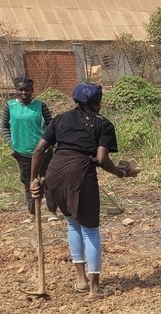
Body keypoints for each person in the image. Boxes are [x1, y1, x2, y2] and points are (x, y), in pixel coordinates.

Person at [28, 84, 138, 297]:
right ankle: (95, 288)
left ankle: (81, 281)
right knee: (90, 228)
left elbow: (40, 149)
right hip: (80, 174)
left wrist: (34, 179)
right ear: (96, 103)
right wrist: (121, 173)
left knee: (72, 224)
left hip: (55, 174)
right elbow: (102, 159)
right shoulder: (103, 124)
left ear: (76, 101)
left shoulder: (60, 119)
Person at [3, 77, 59, 223]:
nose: (23, 92)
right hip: (22, 152)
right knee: (28, 182)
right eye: (20, 89)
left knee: (47, 180)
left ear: (32, 90)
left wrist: (49, 143)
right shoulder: (9, 106)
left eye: (26, 89)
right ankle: (32, 213)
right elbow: (4, 126)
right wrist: (12, 143)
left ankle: (52, 211)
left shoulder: (40, 106)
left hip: (43, 152)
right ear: (16, 90)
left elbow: (50, 125)